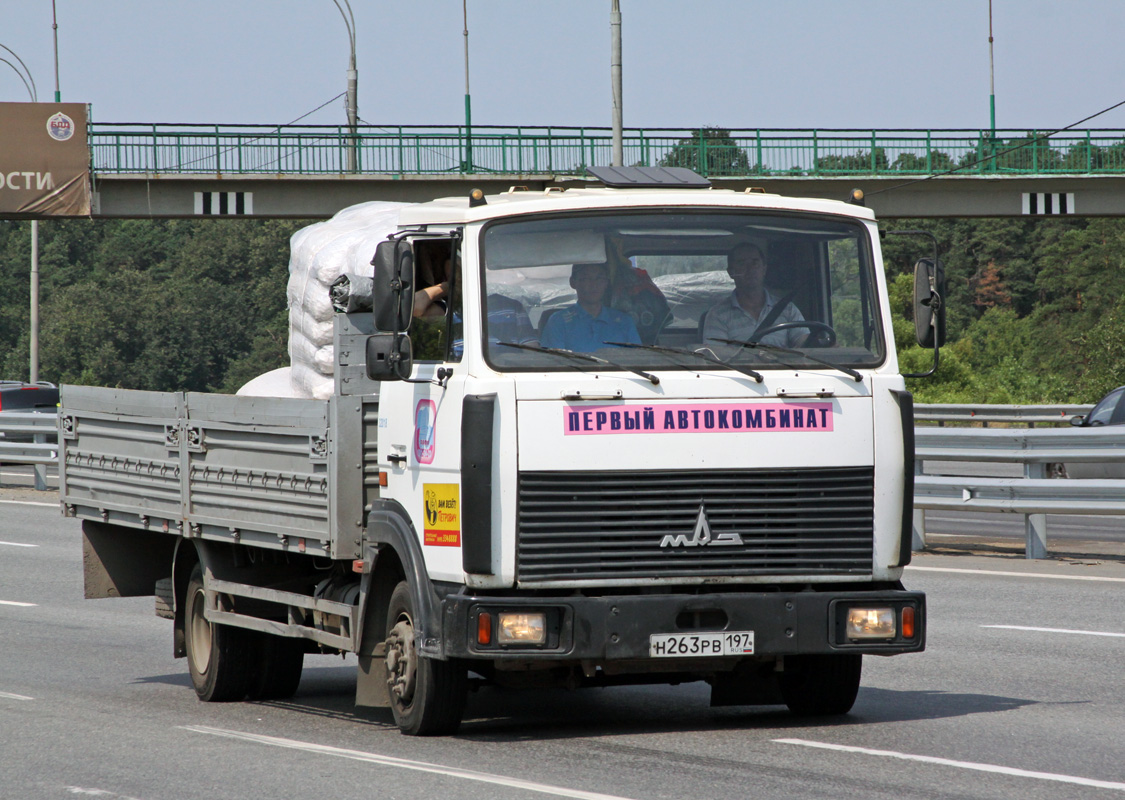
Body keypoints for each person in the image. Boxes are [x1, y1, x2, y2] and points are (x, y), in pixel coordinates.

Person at [703, 242, 806, 349]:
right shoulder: (717, 315)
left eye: (755, 262)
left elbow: (804, 344)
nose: (750, 269)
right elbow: (715, 356)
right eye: (742, 263)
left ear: (764, 269)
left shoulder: (788, 309)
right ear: (731, 272)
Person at [540, 262, 641, 351]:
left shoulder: (624, 322)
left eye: (599, 278)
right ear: (573, 282)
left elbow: (638, 361)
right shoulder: (559, 321)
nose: (594, 285)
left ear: (606, 283)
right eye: (586, 279)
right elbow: (555, 367)